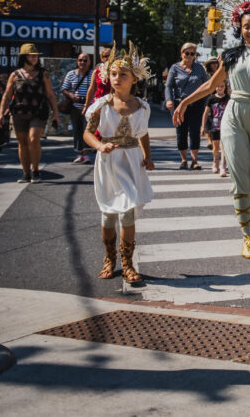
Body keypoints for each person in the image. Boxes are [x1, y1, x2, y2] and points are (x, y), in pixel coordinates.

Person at [173, 0, 250, 259]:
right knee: (240, 180)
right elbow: (209, 86)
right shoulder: (230, 56)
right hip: (235, 116)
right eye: (246, 26)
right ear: (239, 29)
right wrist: (184, 102)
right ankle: (247, 237)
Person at [83, 43, 155, 284]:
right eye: (113, 74)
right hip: (109, 162)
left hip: (132, 160)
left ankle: (127, 263)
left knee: (127, 212)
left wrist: (148, 156)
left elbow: (143, 133)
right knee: (108, 215)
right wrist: (100, 146)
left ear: (134, 78)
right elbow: (88, 134)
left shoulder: (142, 107)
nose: (117, 78)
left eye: (122, 74)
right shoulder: (101, 106)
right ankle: (108, 257)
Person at [0, 43, 61, 183]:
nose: (34, 58)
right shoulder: (14, 75)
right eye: (31, 56)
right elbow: (7, 95)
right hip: (19, 112)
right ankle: (26, 174)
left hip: (38, 112)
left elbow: (50, 95)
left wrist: (56, 114)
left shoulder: (43, 73)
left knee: (33, 139)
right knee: (22, 143)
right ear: (24, 57)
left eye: (36, 56)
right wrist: (1, 114)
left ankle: (35, 171)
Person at [165, 43, 209, 170]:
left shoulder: (199, 68)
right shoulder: (174, 68)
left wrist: (208, 103)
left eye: (192, 54)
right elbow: (168, 86)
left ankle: (194, 160)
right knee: (181, 132)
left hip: (197, 104)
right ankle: (184, 160)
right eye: (187, 53)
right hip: (180, 104)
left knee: (195, 131)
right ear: (181, 53)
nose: (189, 56)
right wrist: (169, 100)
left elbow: (206, 86)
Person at [62, 51, 94, 164]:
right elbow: (64, 89)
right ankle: (80, 153)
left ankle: (86, 154)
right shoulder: (71, 74)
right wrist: (71, 96)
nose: (83, 62)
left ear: (90, 62)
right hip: (75, 107)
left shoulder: (93, 74)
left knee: (87, 130)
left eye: (85, 60)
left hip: (90, 107)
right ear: (77, 61)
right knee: (77, 130)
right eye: (80, 60)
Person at [202, 80, 230, 177]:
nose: (220, 88)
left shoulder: (228, 98)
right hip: (215, 126)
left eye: (222, 86)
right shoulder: (211, 99)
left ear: (225, 87)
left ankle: (223, 166)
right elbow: (205, 113)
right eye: (218, 86)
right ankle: (215, 162)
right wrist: (203, 127)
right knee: (215, 148)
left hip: (226, 126)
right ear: (215, 88)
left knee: (224, 147)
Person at [202, 57, 220, 150]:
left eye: (216, 63)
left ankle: (215, 141)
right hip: (208, 99)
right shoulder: (206, 76)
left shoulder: (221, 74)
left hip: (218, 100)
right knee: (208, 121)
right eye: (212, 63)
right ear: (209, 65)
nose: (214, 65)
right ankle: (210, 141)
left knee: (216, 120)